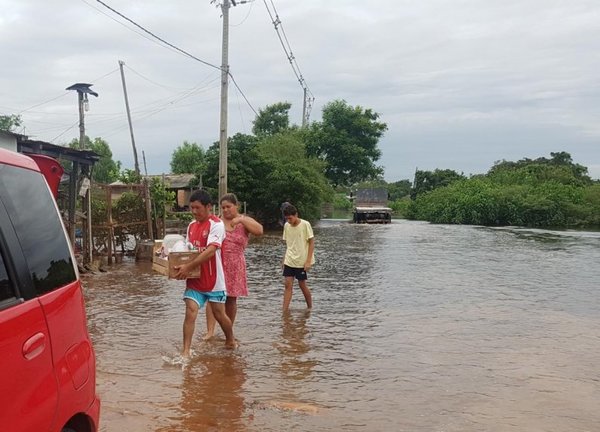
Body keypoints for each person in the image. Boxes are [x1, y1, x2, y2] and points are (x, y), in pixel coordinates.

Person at [173, 189, 235, 355]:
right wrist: (178, 266)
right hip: (195, 280)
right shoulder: (191, 226)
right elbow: (188, 250)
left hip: (214, 280)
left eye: (197, 208)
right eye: (191, 208)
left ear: (208, 207)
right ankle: (185, 352)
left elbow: (210, 250)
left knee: (219, 315)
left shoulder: (217, 225)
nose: (194, 211)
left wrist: (188, 267)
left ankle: (230, 339)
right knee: (190, 312)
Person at [205, 193, 263, 339]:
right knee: (213, 297)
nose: (225, 210)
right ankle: (210, 332)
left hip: (236, 265)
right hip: (217, 263)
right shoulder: (216, 222)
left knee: (231, 299)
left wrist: (240, 220)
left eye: (228, 207)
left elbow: (259, 231)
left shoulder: (244, 221)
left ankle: (228, 330)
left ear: (236, 206)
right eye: (223, 207)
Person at [281, 204, 314, 312]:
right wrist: (284, 259)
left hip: (301, 260)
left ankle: (310, 308)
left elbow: (311, 242)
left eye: (290, 218)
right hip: (290, 259)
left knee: (302, 284)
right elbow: (288, 244)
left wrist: (308, 261)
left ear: (296, 215)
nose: (289, 221)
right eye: (287, 219)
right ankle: (284, 311)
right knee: (287, 284)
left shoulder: (305, 224)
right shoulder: (286, 226)